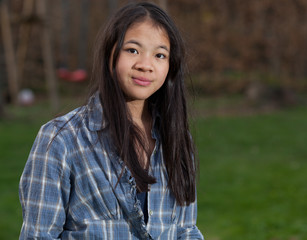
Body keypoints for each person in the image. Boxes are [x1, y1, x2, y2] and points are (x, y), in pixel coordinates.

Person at [19, 2, 203, 239]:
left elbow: (185, 229)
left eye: (159, 55)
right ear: (110, 54)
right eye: (133, 50)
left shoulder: (176, 138)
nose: (145, 65)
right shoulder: (60, 140)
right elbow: (38, 235)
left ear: (170, 66)